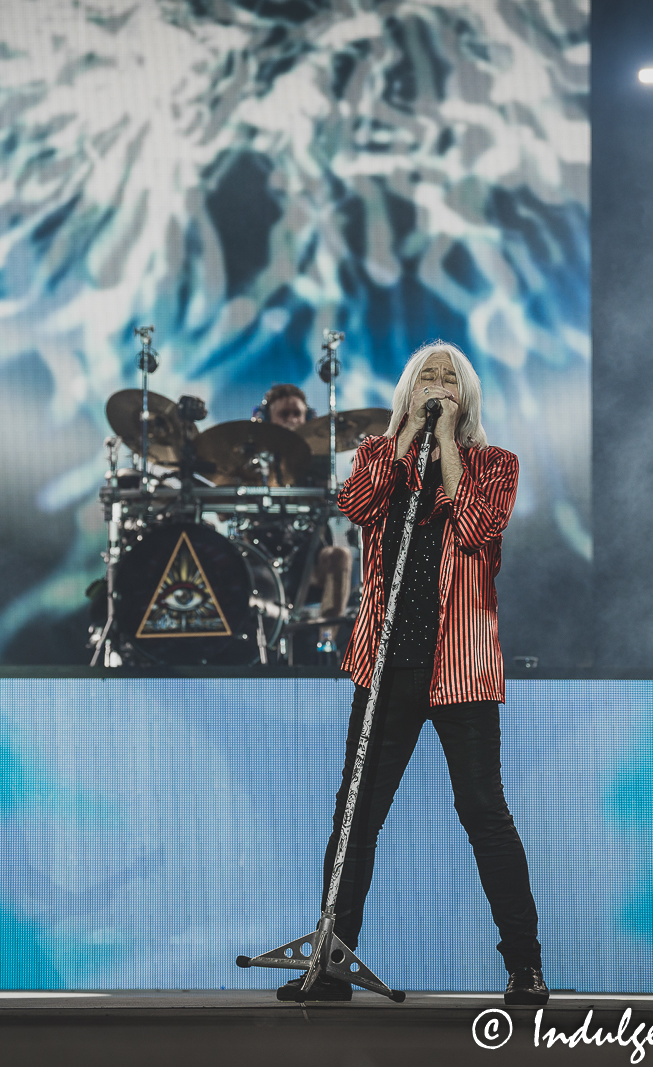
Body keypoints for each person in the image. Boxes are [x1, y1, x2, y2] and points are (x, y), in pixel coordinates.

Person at [278, 341, 547, 1004]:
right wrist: (405, 442)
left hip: (459, 668)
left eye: (449, 379)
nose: (438, 385)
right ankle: (332, 962)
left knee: (484, 810)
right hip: (386, 665)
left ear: (467, 395)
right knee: (356, 814)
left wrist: (451, 447)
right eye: (427, 377)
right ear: (407, 391)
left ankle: (525, 964)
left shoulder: (495, 465)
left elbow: (481, 526)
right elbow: (357, 504)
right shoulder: (380, 458)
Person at [256, 384, 353, 639]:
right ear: (268, 420)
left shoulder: (318, 459)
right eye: (284, 415)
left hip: (309, 556)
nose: (292, 420)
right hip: (259, 556)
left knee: (340, 556)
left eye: (297, 414)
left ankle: (327, 642)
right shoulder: (252, 458)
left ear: (307, 417)